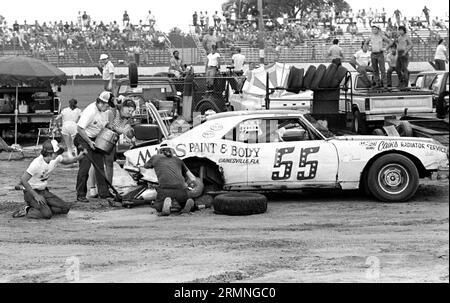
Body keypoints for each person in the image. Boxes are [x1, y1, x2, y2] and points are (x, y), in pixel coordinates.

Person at [12, 140, 86, 219]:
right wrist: (36, 195)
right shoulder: (36, 163)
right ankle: (27, 209)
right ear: (49, 153)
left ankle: (42, 208)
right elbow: (23, 180)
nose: (58, 154)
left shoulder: (55, 158)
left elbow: (66, 161)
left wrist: (79, 157)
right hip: (31, 193)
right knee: (47, 215)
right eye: (56, 153)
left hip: (44, 191)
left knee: (65, 208)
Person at [74, 91, 112, 202]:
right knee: (85, 166)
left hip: (96, 139)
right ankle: (80, 194)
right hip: (83, 138)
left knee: (99, 166)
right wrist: (89, 143)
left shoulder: (105, 111)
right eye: (107, 105)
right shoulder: (90, 111)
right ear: (101, 103)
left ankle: (104, 192)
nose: (107, 108)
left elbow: (105, 125)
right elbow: (80, 128)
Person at [144, 142, 196, 216]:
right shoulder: (178, 160)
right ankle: (186, 206)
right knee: (183, 201)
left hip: (165, 188)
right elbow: (192, 177)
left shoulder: (155, 157)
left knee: (158, 207)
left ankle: (165, 204)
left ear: (159, 151)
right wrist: (189, 186)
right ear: (172, 150)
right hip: (181, 188)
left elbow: (145, 166)